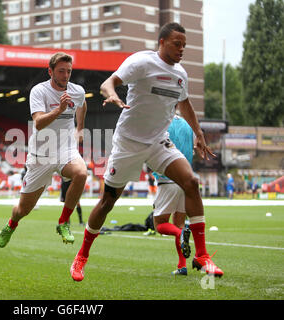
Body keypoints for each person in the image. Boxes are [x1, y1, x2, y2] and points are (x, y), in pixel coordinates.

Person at [70, 23, 223, 282]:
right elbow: (110, 82)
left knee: (192, 183)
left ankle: (202, 255)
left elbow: (184, 103)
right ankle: (81, 256)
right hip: (128, 142)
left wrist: (198, 133)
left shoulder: (181, 74)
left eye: (184, 44)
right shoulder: (142, 62)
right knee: (108, 202)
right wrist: (112, 95)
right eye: (177, 43)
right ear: (162, 42)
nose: (182, 49)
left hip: (158, 141)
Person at [0, 52, 88, 248]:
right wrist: (59, 109)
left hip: (66, 149)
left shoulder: (77, 91)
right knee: (23, 209)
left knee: (82, 173)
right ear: (50, 71)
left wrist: (80, 127)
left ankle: (63, 222)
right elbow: (38, 123)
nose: (66, 75)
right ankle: (11, 224)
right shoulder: (39, 91)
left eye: (69, 71)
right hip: (41, 155)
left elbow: (82, 103)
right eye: (61, 71)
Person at [152, 114, 194, 276]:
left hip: (167, 178)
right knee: (179, 223)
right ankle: (182, 266)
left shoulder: (160, 121)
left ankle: (180, 234)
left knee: (160, 225)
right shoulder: (187, 123)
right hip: (185, 179)